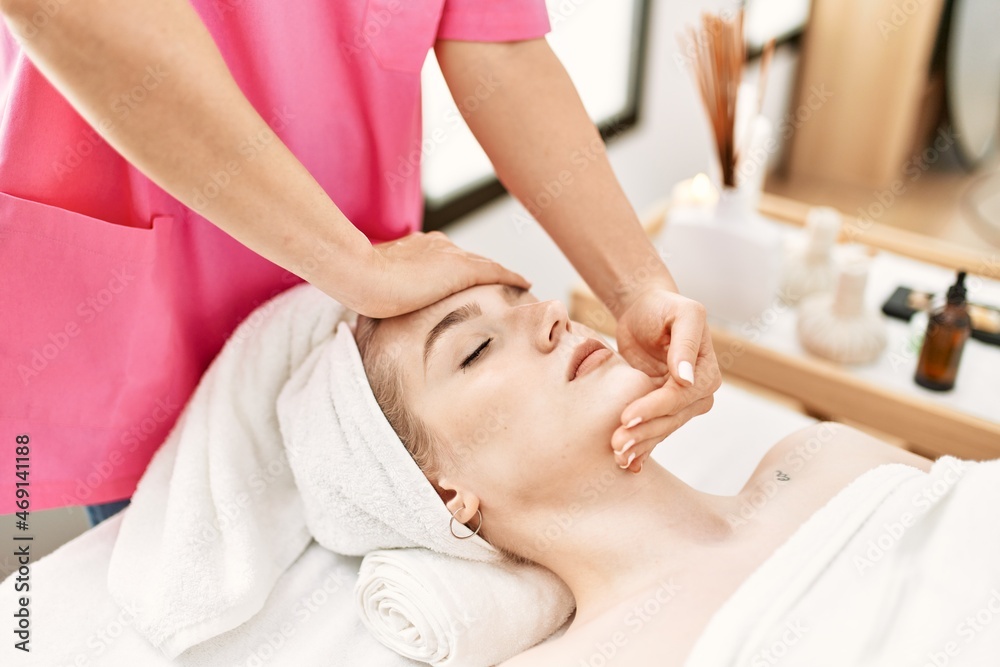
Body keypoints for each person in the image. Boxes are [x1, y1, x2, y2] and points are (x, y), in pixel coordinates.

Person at [0, 0, 720, 523]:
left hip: (361, 313)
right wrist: (352, 267)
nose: (556, 320)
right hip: (139, 311)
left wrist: (636, 288)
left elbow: (497, 42)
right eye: (472, 350)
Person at [352, 282, 937, 665]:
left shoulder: (825, 455)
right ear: (441, 491)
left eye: (525, 294)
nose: (552, 314)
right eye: (476, 348)